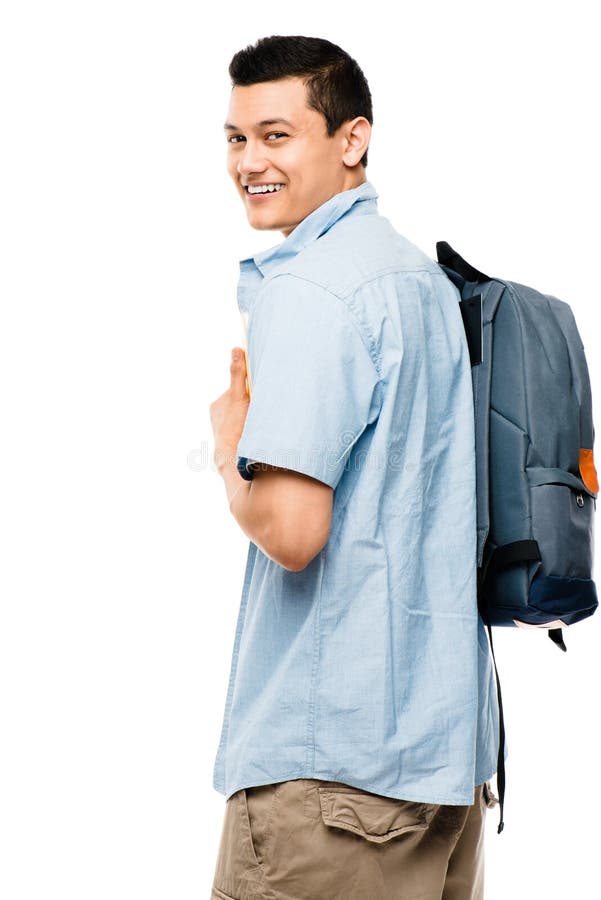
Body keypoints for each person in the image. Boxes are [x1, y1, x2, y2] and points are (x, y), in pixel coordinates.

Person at [208, 34, 503, 900]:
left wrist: (231, 450)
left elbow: (294, 532)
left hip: (328, 778)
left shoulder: (312, 288)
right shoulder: (419, 282)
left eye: (275, 134)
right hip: (442, 772)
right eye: (234, 138)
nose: (248, 161)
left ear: (351, 139)